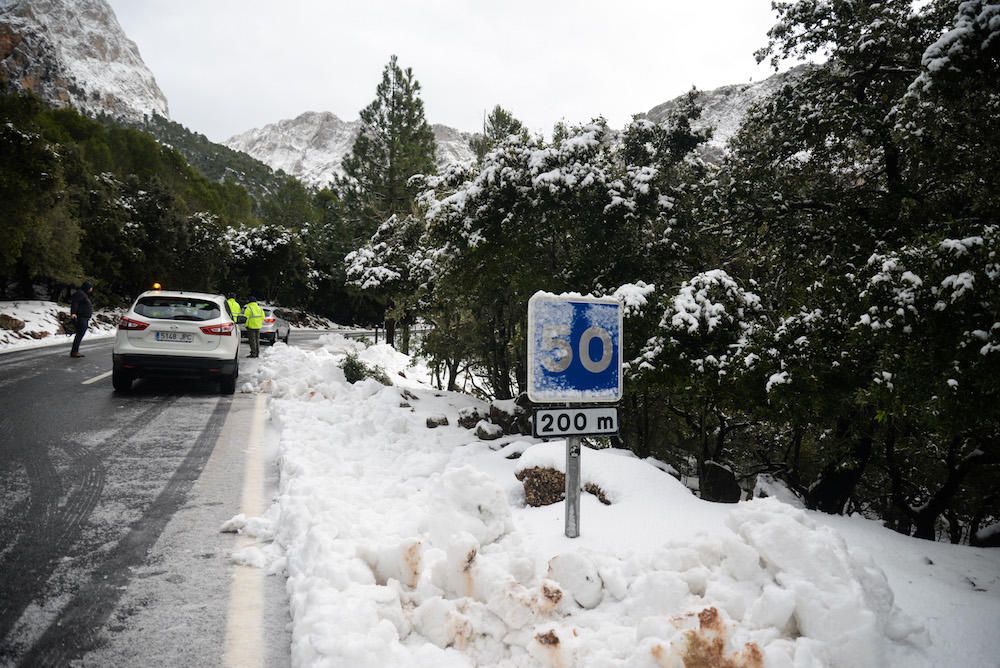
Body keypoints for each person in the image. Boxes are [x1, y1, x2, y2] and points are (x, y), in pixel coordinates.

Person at [69, 281, 94, 358]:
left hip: (84, 318)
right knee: (79, 335)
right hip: (81, 318)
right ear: (87, 287)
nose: (91, 289)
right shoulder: (80, 294)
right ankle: (74, 352)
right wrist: (73, 313)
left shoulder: (83, 294)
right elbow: (75, 303)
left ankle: (75, 351)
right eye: (90, 287)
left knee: (79, 335)